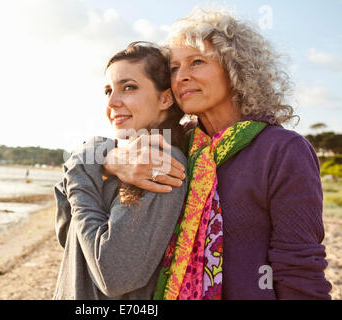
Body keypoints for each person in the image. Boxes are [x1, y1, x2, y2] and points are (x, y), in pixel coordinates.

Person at [102, 8, 332, 300]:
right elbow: (86, 157)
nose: (181, 77)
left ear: (236, 68)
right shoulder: (176, 143)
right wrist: (113, 162)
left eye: (197, 62)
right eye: (174, 68)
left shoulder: (283, 151)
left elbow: (299, 267)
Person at [53, 42, 188, 299]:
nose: (113, 102)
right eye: (108, 91)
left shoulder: (160, 161)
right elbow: (67, 236)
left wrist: (88, 160)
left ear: (165, 98)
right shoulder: (119, 160)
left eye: (129, 87)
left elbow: (112, 275)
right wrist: (104, 158)